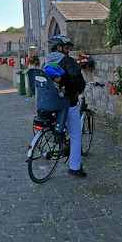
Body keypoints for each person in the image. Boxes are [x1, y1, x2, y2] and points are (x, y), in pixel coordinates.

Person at [44, 35, 87, 177]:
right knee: (76, 134)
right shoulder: (67, 60)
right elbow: (76, 77)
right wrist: (75, 90)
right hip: (68, 102)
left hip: (50, 102)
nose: (68, 51)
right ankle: (75, 167)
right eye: (67, 48)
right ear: (59, 48)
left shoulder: (46, 60)